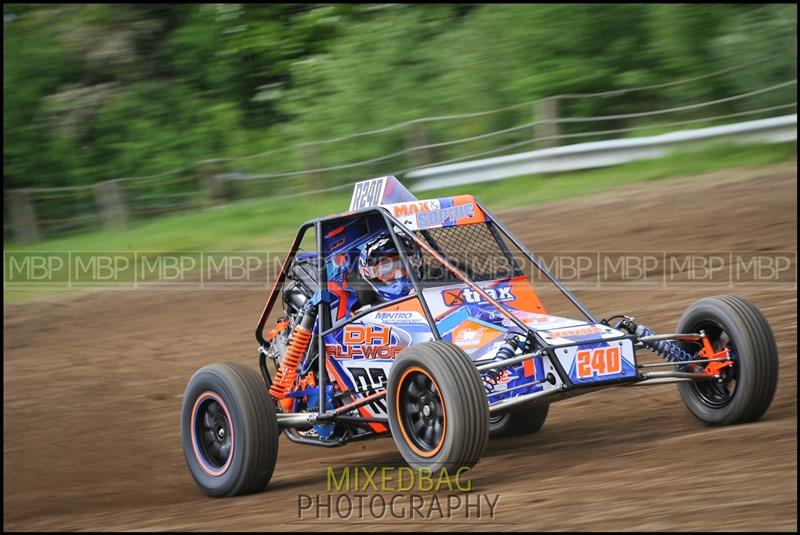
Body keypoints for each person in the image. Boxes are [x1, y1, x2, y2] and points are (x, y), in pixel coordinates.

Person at [357, 233, 423, 303]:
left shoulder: (432, 290)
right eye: (386, 270)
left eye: (403, 265)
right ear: (374, 277)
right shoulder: (367, 311)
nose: (399, 274)